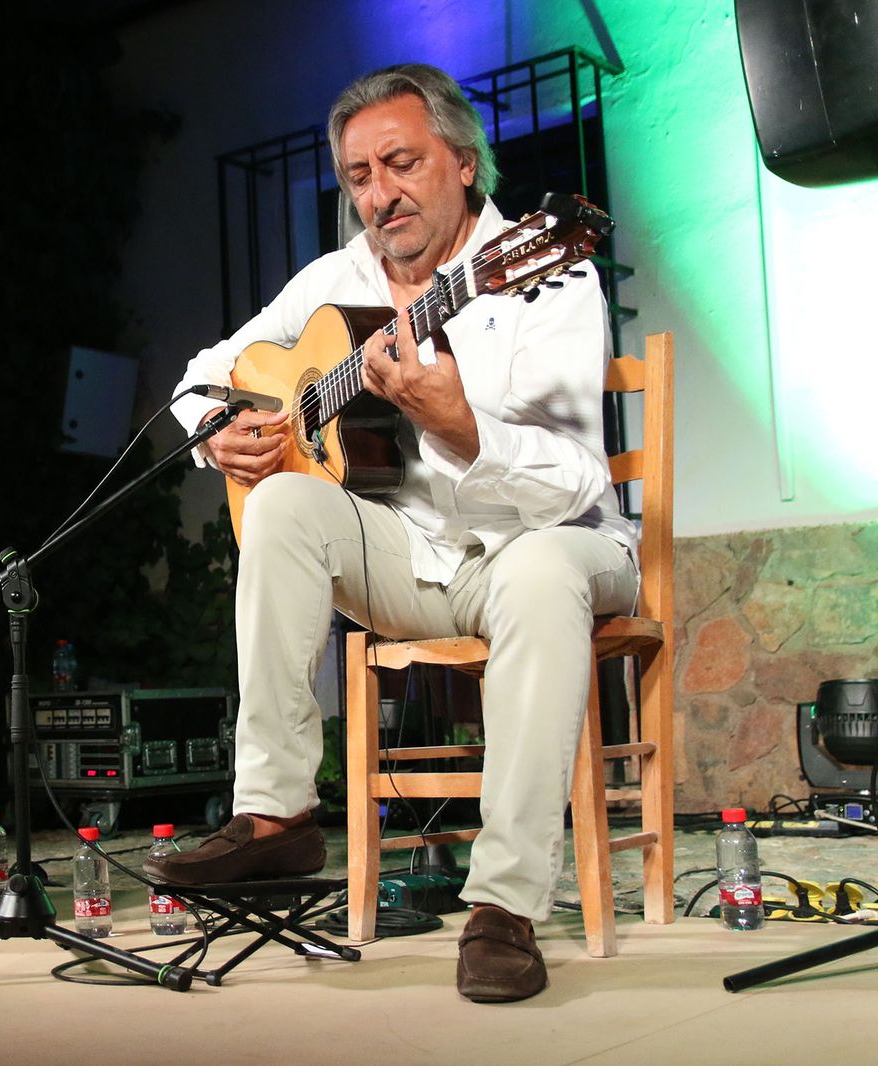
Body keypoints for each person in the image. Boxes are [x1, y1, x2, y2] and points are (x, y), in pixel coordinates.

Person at [145, 64, 639, 1003]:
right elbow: (202, 378)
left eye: (401, 164)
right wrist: (225, 439)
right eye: (359, 175)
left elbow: (578, 481)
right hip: (415, 560)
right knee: (285, 504)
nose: (380, 193)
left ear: (461, 162)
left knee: (537, 570)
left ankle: (503, 907)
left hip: (554, 549)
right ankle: (277, 812)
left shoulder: (546, 272)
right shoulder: (337, 281)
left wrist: (462, 428)